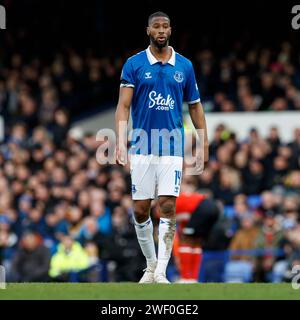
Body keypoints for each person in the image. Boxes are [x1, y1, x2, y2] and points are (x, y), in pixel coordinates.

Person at [115, 11, 209, 283]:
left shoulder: (185, 66)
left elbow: (195, 106)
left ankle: (161, 271)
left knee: (167, 205)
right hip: (142, 146)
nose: (161, 30)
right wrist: (121, 140)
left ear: (170, 30)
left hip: (172, 147)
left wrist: (203, 140)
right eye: (156, 26)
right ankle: (150, 265)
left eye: (165, 26)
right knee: (141, 209)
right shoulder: (133, 64)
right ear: (148, 30)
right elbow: (123, 106)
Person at [173, 182, 220, 283]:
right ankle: (193, 278)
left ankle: (185, 278)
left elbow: (178, 226)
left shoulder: (174, 202)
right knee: (196, 243)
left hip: (202, 209)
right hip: (214, 208)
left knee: (186, 241)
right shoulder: (186, 199)